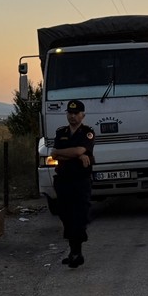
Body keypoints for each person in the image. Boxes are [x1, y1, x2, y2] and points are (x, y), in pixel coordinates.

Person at [50, 98, 95, 267]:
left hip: (80, 181)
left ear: (83, 115)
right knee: (66, 216)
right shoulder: (61, 132)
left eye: (76, 113)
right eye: (70, 113)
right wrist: (77, 155)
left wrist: (75, 153)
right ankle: (73, 251)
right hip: (63, 181)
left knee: (80, 216)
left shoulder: (87, 133)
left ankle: (77, 252)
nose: (73, 116)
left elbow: (79, 149)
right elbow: (54, 154)